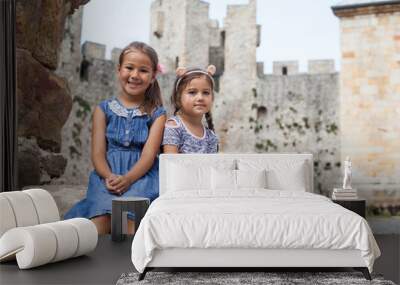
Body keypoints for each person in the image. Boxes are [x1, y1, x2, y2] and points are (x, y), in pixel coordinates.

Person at [65, 42, 166, 235]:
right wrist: (109, 176)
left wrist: (128, 179)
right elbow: (97, 153)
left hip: (140, 178)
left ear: (153, 77)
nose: (135, 75)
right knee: (100, 223)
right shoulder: (103, 110)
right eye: (129, 68)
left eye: (143, 70)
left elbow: (149, 155)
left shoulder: (157, 114)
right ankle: (96, 262)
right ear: (119, 70)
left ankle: (130, 262)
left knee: (130, 221)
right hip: (107, 176)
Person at [162, 65, 218, 153]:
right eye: (192, 92)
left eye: (206, 93)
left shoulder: (211, 136)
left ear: (212, 98)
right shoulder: (175, 127)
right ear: (178, 97)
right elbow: (170, 164)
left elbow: (213, 166)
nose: (200, 97)